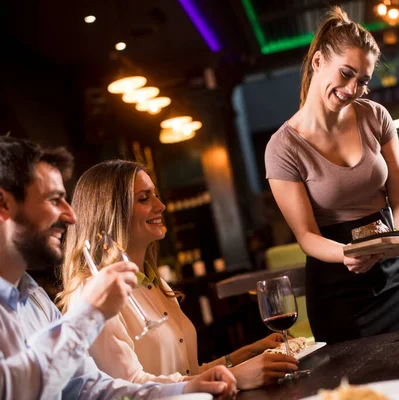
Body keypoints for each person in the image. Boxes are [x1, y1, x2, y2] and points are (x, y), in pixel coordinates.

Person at [0, 137, 236, 399]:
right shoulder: (83, 295)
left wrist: (187, 387)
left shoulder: (33, 297)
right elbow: (15, 390)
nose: (71, 216)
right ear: (5, 204)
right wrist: (89, 313)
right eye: (54, 200)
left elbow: (88, 387)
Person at [264, 7, 399, 343]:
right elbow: (307, 236)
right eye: (346, 73)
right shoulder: (283, 147)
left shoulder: (375, 116)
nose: (353, 88)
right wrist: (348, 254)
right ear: (318, 62)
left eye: (363, 80)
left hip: (396, 275)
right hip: (338, 289)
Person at [57, 160, 298, 390]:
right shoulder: (93, 294)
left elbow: (187, 376)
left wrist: (249, 354)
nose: (160, 206)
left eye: (156, 195)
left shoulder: (155, 283)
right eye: (144, 198)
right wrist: (236, 376)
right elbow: (129, 388)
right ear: (111, 213)